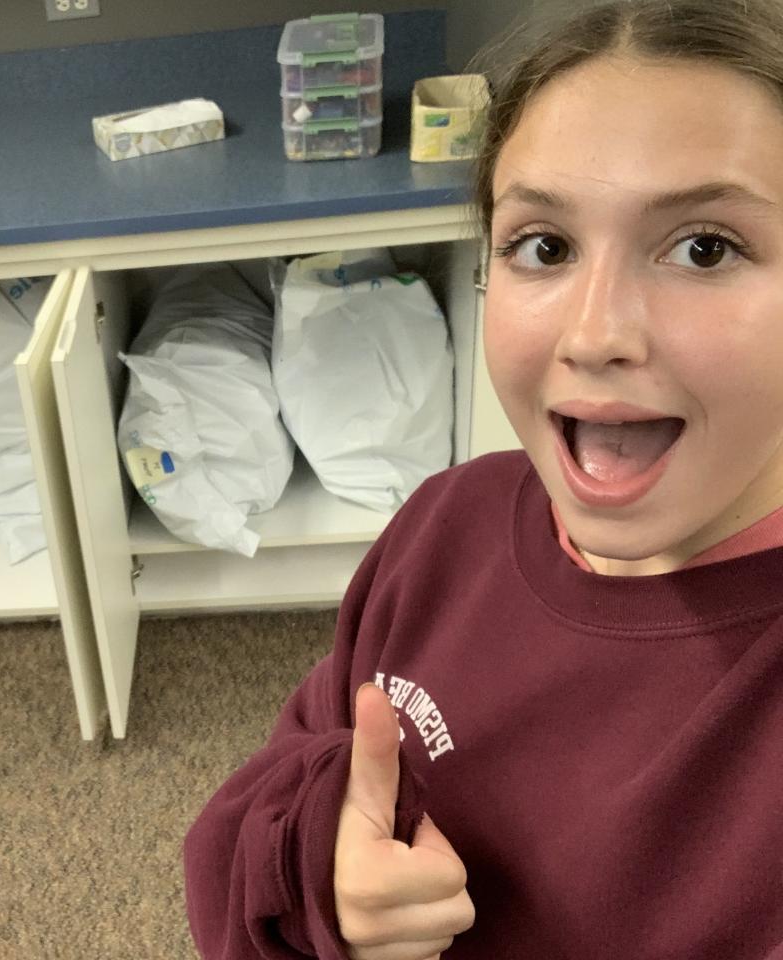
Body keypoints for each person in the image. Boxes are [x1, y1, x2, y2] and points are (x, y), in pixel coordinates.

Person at [183, 1, 783, 957]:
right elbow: (288, 774)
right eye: (544, 246)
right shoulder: (446, 524)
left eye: (704, 248)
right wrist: (318, 873)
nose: (595, 334)